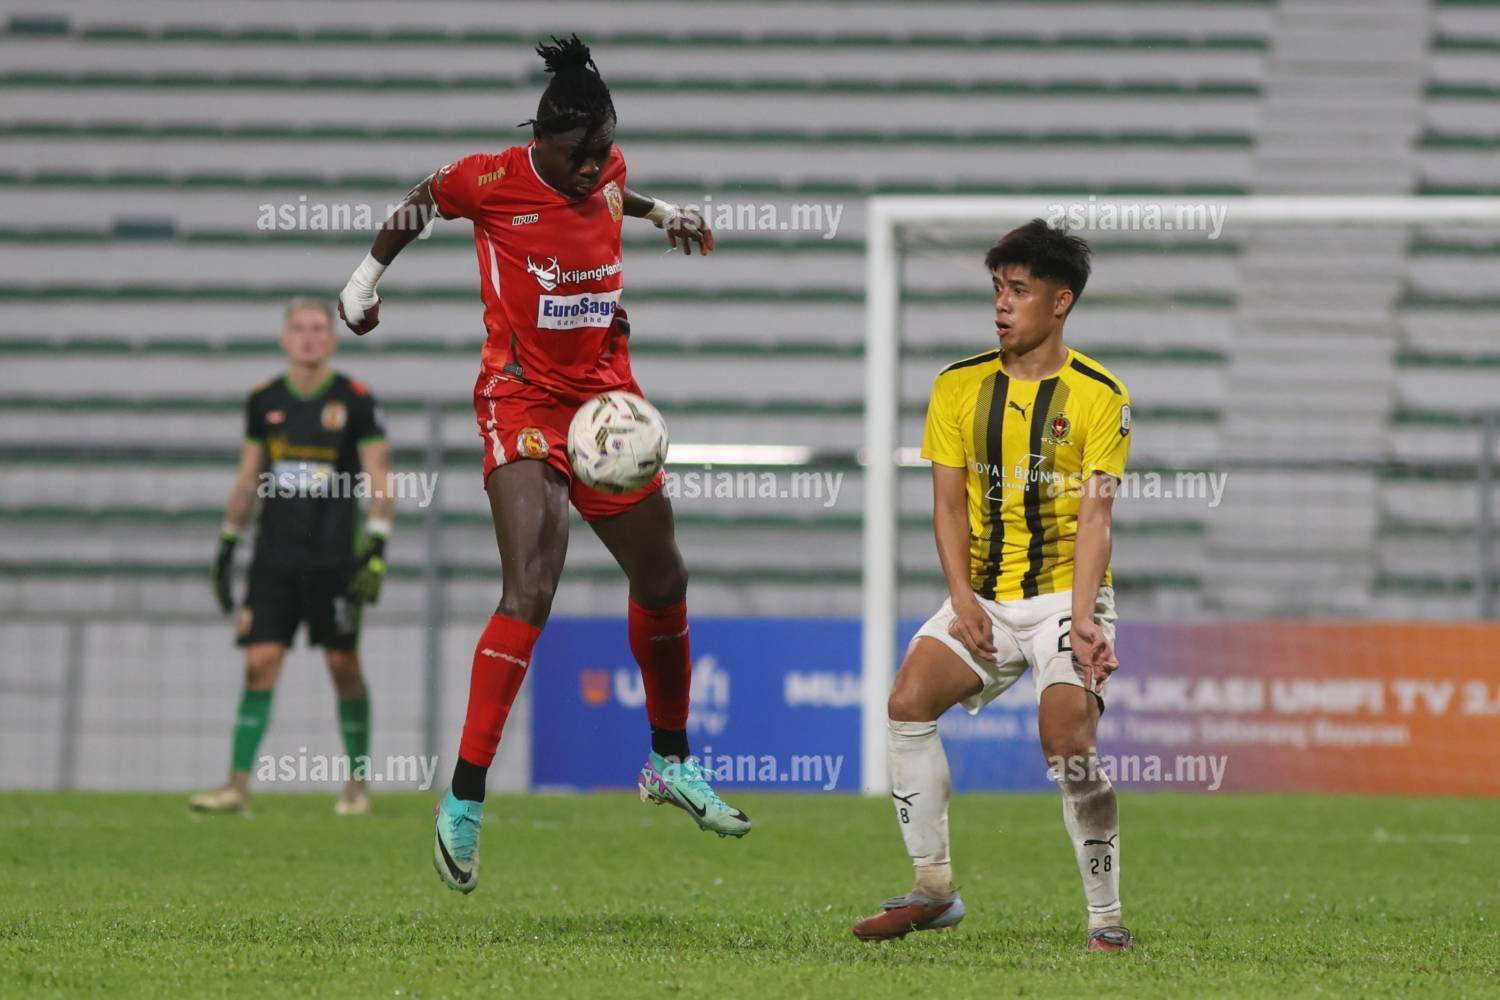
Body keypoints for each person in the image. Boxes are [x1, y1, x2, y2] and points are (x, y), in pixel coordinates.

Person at [336, 35, 749, 895]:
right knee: (532, 584)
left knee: (665, 578)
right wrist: (364, 281)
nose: (593, 167)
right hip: (521, 400)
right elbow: (420, 201)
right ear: (543, 137)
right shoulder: (489, 179)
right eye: (578, 154)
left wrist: (665, 212)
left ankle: (670, 762)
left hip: (605, 404)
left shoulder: (604, 168)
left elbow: (618, 193)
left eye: (604, 151)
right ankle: (464, 798)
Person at [851, 221, 1135, 952]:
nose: (1002, 304)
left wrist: (1085, 619)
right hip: (984, 595)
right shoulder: (957, 386)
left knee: (1067, 743)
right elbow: (948, 506)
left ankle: (1106, 917)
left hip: (1066, 596)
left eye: (1019, 290)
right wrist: (962, 599)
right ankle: (933, 888)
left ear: (1060, 302)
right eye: (998, 289)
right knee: (907, 702)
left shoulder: (1101, 396)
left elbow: (1097, 515)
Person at [191, 298, 393, 816]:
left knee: (343, 664)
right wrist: (227, 543)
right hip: (274, 559)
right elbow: (248, 477)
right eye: (299, 329)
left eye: (318, 328)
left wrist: (376, 545)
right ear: (285, 338)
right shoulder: (264, 401)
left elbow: (380, 475)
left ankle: (357, 784)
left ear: (332, 338)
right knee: (259, 662)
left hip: (334, 559)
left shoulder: (356, 400)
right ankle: (236, 786)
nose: (309, 337)